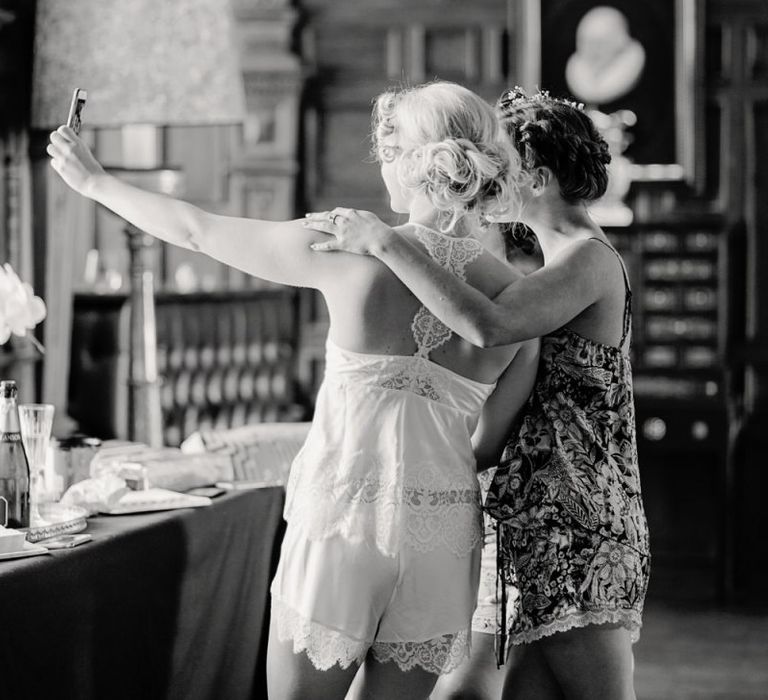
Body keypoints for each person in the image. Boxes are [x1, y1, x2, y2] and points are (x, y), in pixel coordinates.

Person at [46, 81, 540, 700]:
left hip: (343, 522)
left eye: (385, 151)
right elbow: (489, 446)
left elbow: (198, 230)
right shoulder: (521, 305)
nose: (381, 164)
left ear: (413, 165)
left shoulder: (346, 247)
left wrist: (94, 181)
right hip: (441, 534)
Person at [306, 87, 651, 700]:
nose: (479, 178)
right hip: (528, 517)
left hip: (576, 523)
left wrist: (387, 241)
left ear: (538, 178)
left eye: (499, 165)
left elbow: (488, 326)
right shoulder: (548, 264)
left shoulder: (586, 262)